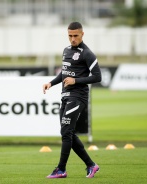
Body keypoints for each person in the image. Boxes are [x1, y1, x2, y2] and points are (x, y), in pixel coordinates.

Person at [43, 22, 102, 179]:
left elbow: (97, 76)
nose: (73, 39)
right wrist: (51, 83)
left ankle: (61, 169)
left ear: (82, 34)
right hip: (65, 96)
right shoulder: (66, 50)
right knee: (66, 132)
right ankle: (91, 165)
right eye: (70, 35)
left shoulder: (87, 53)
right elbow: (65, 72)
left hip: (78, 97)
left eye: (76, 35)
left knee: (66, 132)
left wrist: (75, 81)